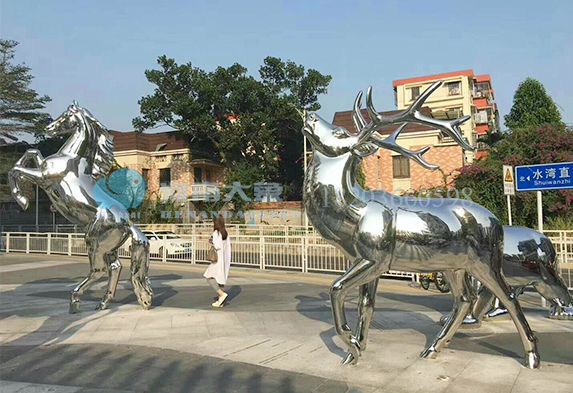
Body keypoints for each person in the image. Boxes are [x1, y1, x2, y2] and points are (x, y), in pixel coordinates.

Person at [204, 215, 231, 307]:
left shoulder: (216, 233)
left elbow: (218, 246)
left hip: (217, 260)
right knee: (220, 278)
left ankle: (221, 294)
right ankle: (220, 301)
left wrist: (210, 243)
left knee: (209, 277)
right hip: (224, 259)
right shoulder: (225, 233)